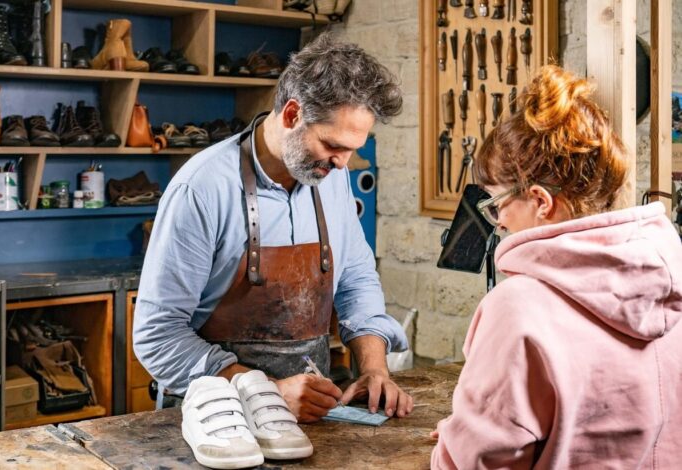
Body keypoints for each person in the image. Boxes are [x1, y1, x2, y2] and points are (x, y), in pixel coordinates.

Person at [134, 33, 414, 423]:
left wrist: (373, 368)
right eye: (333, 145)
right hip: (217, 417)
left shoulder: (330, 177)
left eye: (354, 148)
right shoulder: (202, 187)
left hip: (310, 416)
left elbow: (355, 278)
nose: (343, 164)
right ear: (291, 114)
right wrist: (267, 393)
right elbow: (157, 336)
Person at [431, 65, 682, 468]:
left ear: (540, 201)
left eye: (497, 204)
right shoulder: (670, 280)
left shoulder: (519, 308)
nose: (500, 221)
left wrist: (455, 440)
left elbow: (478, 462)